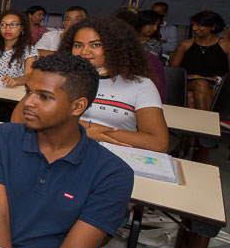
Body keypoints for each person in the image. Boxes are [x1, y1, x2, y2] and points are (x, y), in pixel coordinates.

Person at [0, 53, 134, 248]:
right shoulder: (1, 138)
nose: (28, 102)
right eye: (28, 91)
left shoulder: (113, 174)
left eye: (45, 97)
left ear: (77, 106)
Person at [15, 16, 169, 152]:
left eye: (95, 45)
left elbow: (158, 143)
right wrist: (81, 131)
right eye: (78, 45)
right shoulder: (57, 77)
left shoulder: (140, 85)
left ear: (115, 48)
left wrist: (88, 131)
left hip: (113, 156)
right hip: (57, 149)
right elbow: (18, 120)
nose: (84, 51)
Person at [170, 10, 230, 111]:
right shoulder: (185, 44)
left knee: (191, 96)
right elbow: (173, 72)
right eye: (193, 25)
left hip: (216, 85)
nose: (194, 29)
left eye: (199, 25)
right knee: (200, 83)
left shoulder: (226, 46)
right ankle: (208, 124)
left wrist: (217, 79)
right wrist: (190, 77)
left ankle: (192, 126)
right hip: (188, 82)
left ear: (213, 26)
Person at [0, 8, 38, 87]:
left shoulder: (29, 50)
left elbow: (29, 75)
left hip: (11, 94)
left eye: (13, 24)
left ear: (22, 28)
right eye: (3, 24)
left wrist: (16, 80)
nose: (7, 28)